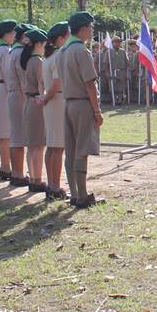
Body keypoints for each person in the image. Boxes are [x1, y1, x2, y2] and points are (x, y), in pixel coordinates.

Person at [59, 11, 103, 208]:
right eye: (90, 28)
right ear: (83, 28)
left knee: (70, 150)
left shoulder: (63, 51)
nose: (92, 31)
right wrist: (97, 111)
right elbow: (89, 84)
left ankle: (74, 193)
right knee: (82, 150)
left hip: (68, 103)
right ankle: (83, 196)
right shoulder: (81, 51)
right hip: (82, 104)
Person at [41, 22, 69, 200]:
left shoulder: (49, 56)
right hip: (57, 99)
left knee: (52, 146)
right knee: (58, 147)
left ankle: (52, 184)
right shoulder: (59, 56)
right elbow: (57, 82)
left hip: (52, 101)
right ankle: (55, 186)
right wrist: (47, 97)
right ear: (60, 39)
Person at [21, 28, 48, 192]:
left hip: (28, 101)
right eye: (43, 44)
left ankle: (33, 178)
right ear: (38, 44)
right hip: (36, 102)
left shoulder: (26, 60)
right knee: (38, 145)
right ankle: (37, 180)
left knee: (32, 145)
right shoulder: (38, 61)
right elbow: (41, 85)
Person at [0, 19, 17, 181]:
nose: (14, 35)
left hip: (0, 88)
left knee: (3, 131)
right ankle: (7, 166)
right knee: (6, 131)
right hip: (5, 89)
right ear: (6, 34)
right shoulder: (5, 50)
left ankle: (5, 166)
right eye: (13, 32)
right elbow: (9, 74)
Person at [6, 24, 30, 186]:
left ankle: (16, 172)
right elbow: (23, 81)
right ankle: (18, 173)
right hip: (19, 95)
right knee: (19, 137)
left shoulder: (11, 51)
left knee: (15, 135)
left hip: (12, 93)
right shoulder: (20, 52)